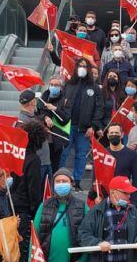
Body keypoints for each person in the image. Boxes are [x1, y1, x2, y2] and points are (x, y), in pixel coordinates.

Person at [9, 121, 47, 262]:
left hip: (10, 205)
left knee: (12, 244)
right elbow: (34, 187)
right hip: (24, 208)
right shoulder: (34, 159)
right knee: (23, 245)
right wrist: (36, 208)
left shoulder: (15, 155)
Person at [59, 57, 105, 188]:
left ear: (88, 69)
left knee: (81, 155)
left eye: (85, 66)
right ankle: (61, 178)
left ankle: (77, 181)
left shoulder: (95, 87)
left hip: (85, 128)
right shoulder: (69, 84)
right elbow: (62, 103)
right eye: (80, 65)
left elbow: (99, 108)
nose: (82, 68)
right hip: (68, 125)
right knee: (64, 153)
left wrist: (93, 126)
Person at [17, 90, 53, 179]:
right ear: (33, 103)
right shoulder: (23, 121)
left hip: (43, 161)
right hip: (38, 163)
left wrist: (45, 118)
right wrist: (43, 132)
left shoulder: (29, 118)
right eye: (35, 100)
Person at [40, 75, 71, 173]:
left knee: (54, 166)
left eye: (56, 85)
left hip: (57, 138)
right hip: (43, 137)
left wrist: (55, 109)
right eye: (51, 84)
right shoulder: (43, 97)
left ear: (61, 87)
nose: (53, 87)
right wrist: (45, 117)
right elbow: (37, 113)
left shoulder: (65, 100)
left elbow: (65, 119)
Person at [105, 123, 137, 200]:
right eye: (111, 133)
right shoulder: (103, 153)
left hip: (124, 196)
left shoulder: (131, 154)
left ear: (122, 134)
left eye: (117, 133)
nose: (114, 135)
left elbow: (136, 179)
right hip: (106, 197)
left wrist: (133, 199)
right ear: (107, 135)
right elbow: (96, 178)